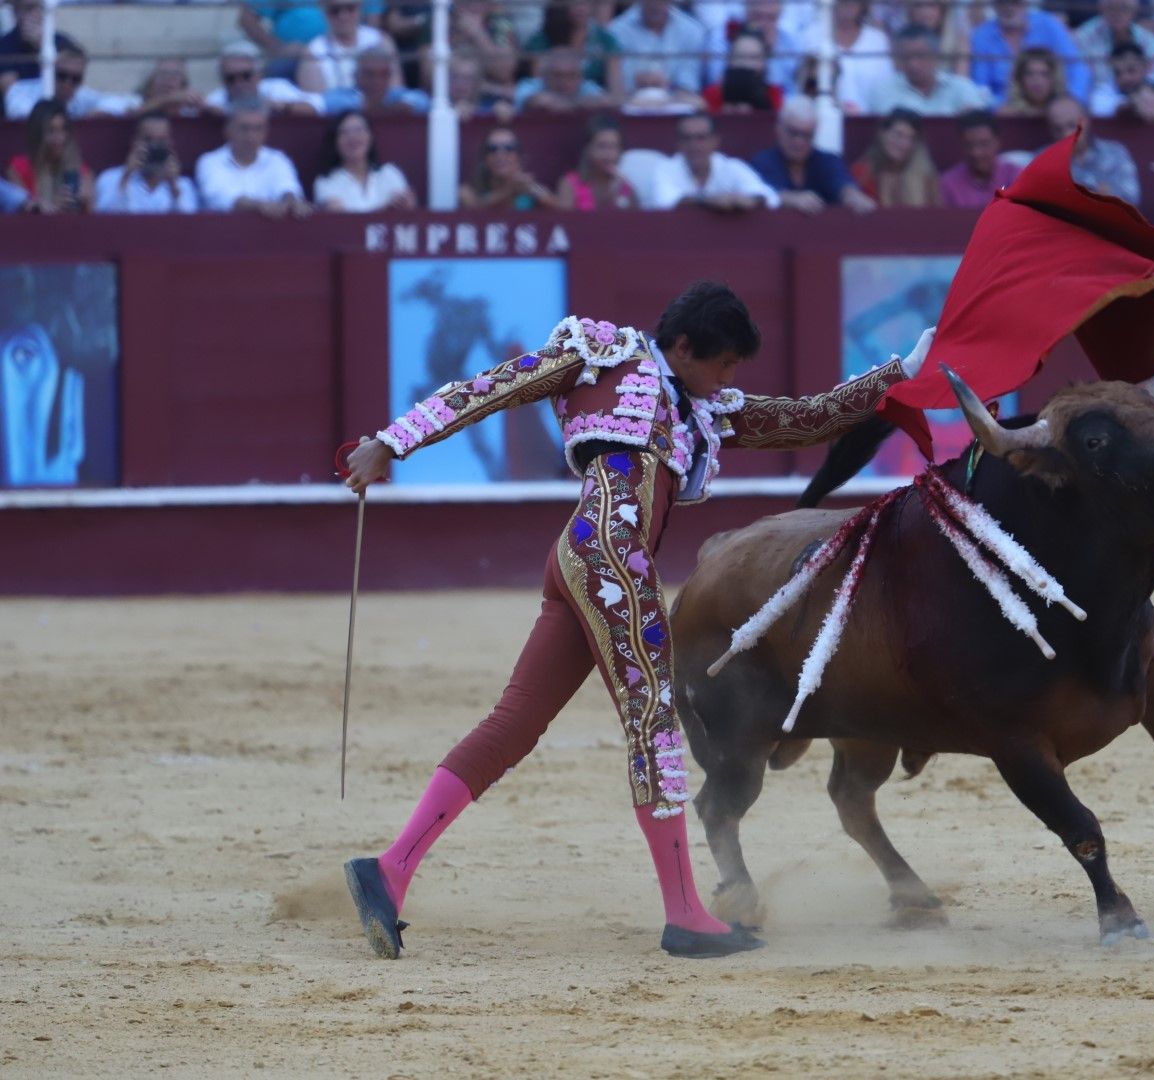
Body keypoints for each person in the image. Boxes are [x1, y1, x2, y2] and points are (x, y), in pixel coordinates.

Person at [338, 281, 933, 960]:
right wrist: (391, 443)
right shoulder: (605, 354)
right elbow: (488, 388)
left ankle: (389, 869)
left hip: (586, 560)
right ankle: (685, 915)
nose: (728, 381)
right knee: (651, 720)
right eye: (722, 365)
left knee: (515, 722)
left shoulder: (700, 408)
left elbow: (805, 417)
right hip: (611, 557)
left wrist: (896, 375)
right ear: (682, 346)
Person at [749, 96, 879, 212]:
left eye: (807, 135)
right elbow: (756, 195)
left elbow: (842, 184)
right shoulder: (763, 162)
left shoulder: (827, 161)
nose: (799, 141)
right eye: (793, 133)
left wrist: (852, 196)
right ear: (779, 130)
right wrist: (788, 199)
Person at [194, 100, 312, 216]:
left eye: (258, 129)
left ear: (266, 132)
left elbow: (288, 188)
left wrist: (291, 202)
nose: (251, 136)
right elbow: (221, 198)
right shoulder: (209, 162)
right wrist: (260, 206)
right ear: (227, 130)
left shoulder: (278, 159)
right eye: (244, 128)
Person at [648, 110, 779, 210]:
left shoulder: (731, 167)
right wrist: (709, 201)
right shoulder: (665, 168)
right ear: (678, 144)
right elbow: (664, 201)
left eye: (701, 138)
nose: (694, 145)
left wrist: (750, 200)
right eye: (686, 138)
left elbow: (769, 197)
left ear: (715, 141)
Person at [971, 0, 1089, 108]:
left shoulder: (1049, 25)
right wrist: (1000, 107)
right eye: (1002, 2)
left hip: (1053, 108)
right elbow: (981, 88)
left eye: (1015, 2)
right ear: (993, 5)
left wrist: (1071, 101)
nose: (1008, 7)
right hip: (1004, 113)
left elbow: (1078, 70)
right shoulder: (981, 35)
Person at [869, 23, 988, 115]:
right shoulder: (883, 92)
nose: (913, 64)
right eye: (906, 57)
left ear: (936, 55)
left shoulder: (962, 89)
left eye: (920, 55)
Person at [798, 0, 893, 114]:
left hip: (870, 123)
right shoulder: (811, 37)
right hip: (823, 120)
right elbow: (804, 87)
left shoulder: (878, 40)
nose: (848, 3)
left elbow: (886, 88)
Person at [94, 113, 199, 214]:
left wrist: (173, 187)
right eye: (148, 140)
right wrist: (126, 177)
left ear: (170, 143)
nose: (154, 146)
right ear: (135, 142)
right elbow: (105, 223)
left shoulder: (184, 185)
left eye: (161, 141)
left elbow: (188, 227)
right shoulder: (110, 178)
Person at [312, 109, 416, 211]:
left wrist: (407, 203)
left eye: (359, 130)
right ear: (335, 142)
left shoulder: (390, 173)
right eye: (344, 132)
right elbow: (343, 221)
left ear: (370, 137)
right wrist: (387, 208)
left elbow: (405, 215)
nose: (352, 137)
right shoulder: (326, 181)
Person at [4, 42, 139, 121]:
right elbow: (20, 111)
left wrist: (98, 111)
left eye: (75, 79)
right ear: (49, 72)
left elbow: (131, 101)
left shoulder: (80, 95)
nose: (68, 83)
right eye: (62, 75)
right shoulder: (20, 90)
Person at [4, 99, 93, 214]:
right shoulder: (19, 169)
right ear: (38, 135)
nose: (60, 139)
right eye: (51, 131)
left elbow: (93, 222)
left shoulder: (82, 171)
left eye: (63, 129)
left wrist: (86, 202)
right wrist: (52, 205)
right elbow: (21, 214)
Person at [1048, 94, 1139, 205]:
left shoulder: (1115, 153)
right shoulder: (1042, 161)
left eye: (1072, 125)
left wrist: (1109, 196)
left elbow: (1133, 200)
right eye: (1058, 129)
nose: (1066, 134)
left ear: (1086, 121)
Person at [609, 0, 708, 99]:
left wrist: (667, 86)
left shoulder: (692, 31)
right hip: (630, 103)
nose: (655, 4)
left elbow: (688, 85)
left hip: (677, 104)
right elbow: (621, 88)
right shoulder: (616, 31)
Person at [522, 0, 623, 97]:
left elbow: (616, 90)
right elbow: (537, 86)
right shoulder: (542, 39)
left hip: (595, 105)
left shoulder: (606, 40)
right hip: (550, 105)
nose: (581, 8)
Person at [850, 107, 942, 206]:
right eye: (898, 134)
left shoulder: (925, 176)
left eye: (911, 138)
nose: (904, 144)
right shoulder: (862, 173)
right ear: (882, 134)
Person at [206, 41, 323, 116]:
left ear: (259, 75)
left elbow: (315, 108)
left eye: (246, 76)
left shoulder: (277, 88)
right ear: (222, 81)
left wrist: (280, 106)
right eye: (230, 78)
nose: (239, 83)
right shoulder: (215, 100)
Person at [938, 108, 1022, 208]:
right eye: (969, 145)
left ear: (997, 142)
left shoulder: (1015, 177)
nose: (976, 153)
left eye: (984, 144)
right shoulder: (949, 183)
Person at [1073, 0, 1154, 94]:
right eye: (1111, 7)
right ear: (1101, 9)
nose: (1117, 13)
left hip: (1141, 95)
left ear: (1134, 11)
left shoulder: (1148, 40)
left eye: (1124, 7)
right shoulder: (1083, 37)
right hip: (1097, 96)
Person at [1091, 40, 1154, 122]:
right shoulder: (1103, 92)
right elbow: (1100, 109)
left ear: (1147, 67)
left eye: (1131, 70)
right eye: (1117, 73)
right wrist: (1135, 102)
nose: (1125, 78)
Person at [459, 126, 558, 209]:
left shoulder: (530, 187)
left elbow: (563, 211)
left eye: (509, 148)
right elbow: (474, 208)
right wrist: (508, 190)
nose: (500, 154)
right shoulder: (468, 191)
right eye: (492, 149)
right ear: (484, 159)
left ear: (520, 159)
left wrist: (535, 191)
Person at [0, 0, 82, 99]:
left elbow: (70, 86)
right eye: (29, 9)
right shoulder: (4, 45)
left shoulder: (63, 42)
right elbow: (13, 96)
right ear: (16, 12)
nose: (36, 14)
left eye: (42, 8)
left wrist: (43, 45)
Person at [557, 114, 639, 210]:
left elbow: (634, 221)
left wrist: (619, 195)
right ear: (587, 149)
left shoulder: (625, 185)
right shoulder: (570, 184)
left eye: (613, 147)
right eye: (601, 146)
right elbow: (566, 222)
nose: (608, 154)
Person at [323, 45, 429, 114]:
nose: (377, 81)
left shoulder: (396, 95)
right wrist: (388, 109)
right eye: (370, 74)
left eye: (383, 74)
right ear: (355, 76)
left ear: (390, 76)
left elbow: (423, 100)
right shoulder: (341, 96)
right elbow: (330, 103)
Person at [701, 28, 785, 113]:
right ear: (730, 61)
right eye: (739, 56)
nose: (745, 63)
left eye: (752, 58)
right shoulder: (713, 94)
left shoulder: (773, 95)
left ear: (763, 63)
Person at [523, 45, 611, 112]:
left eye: (571, 75)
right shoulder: (530, 85)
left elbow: (606, 101)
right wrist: (579, 103)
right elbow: (535, 102)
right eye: (557, 75)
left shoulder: (587, 86)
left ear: (580, 77)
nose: (564, 81)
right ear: (545, 76)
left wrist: (565, 104)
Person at [999, 46, 1066, 116]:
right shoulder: (1007, 115)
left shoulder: (1070, 114)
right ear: (1019, 79)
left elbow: (1078, 126)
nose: (1037, 80)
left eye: (1044, 74)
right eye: (1029, 74)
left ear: (1055, 78)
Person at [135, 57, 207, 119]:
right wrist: (167, 99)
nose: (168, 79)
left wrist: (202, 105)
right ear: (151, 81)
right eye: (162, 73)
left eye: (175, 74)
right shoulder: (134, 101)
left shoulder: (190, 110)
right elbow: (129, 116)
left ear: (183, 82)